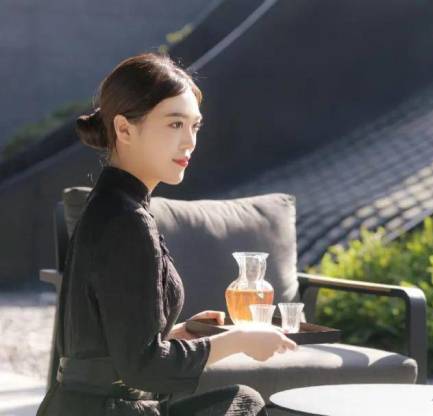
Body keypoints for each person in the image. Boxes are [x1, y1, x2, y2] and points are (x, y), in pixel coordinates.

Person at [36, 53, 297, 416]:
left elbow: (114, 347)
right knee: (243, 402)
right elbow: (144, 368)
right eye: (175, 124)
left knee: (241, 399)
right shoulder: (127, 220)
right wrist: (239, 340)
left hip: (83, 406)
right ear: (124, 130)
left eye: (195, 126)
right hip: (106, 410)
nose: (189, 141)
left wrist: (177, 336)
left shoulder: (113, 206)